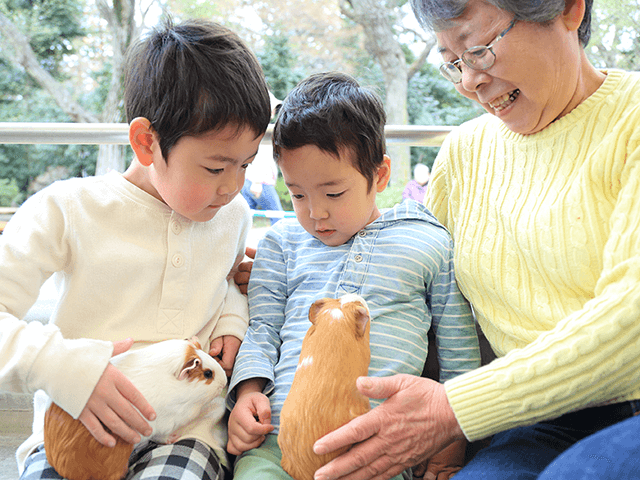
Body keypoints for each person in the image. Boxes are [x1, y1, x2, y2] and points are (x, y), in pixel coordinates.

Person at [308, 1, 640, 480]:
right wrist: (294, 263)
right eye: (454, 62)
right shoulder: (465, 152)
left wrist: (453, 407)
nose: (469, 81)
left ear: (568, 10)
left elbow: (631, 324)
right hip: (527, 421)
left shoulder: (629, 119)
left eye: (480, 50)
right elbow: (404, 264)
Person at [0, 18, 272, 479]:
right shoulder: (67, 209)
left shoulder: (233, 215)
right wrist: (67, 370)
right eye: (214, 167)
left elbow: (223, 280)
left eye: (246, 163)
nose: (234, 186)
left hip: (187, 434)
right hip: (77, 432)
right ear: (147, 142)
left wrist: (231, 317)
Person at [226, 72, 481, 480]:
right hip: (276, 439)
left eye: (333, 193)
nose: (315, 213)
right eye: (297, 194)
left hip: (380, 445)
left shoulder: (428, 241)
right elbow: (262, 329)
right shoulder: (282, 242)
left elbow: (458, 346)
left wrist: (450, 441)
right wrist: (247, 393)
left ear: (380, 176)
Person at [241, 92, 285, 226]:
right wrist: (257, 182)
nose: (273, 113)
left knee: (244, 218)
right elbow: (259, 158)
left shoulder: (253, 128)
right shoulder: (262, 131)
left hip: (249, 180)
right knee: (278, 218)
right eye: (272, 108)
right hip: (260, 182)